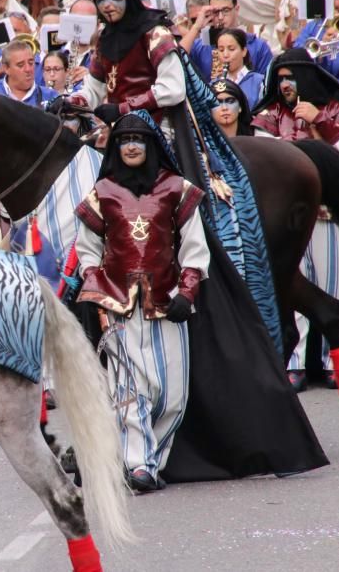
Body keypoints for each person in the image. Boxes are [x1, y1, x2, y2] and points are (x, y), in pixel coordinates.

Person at [73, 114, 209, 493]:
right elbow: (86, 251)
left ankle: (148, 460)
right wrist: (94, 289)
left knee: (173, 397)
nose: (131, 145)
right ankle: (139, 467)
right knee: (129, 390)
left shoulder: (176, 189)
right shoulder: (102, 191)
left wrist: (187, 291)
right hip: (116, 306)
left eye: (138, 139)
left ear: (151, 144)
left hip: (167, 303)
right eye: (124, 139)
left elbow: (195, 247)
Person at [250, 48, 339, 391]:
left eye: (291, 77)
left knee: (333, 284)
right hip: (288, 217)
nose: (284, 84)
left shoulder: (335, 110)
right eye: (280, 77)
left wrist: (321, 122)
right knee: (290, 288)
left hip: (329, 214)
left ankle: (333, 364)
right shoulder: (268, 116)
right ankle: (294, 363)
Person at [67, 0, 185, 135]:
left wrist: (123, 108)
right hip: (118, 130)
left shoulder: (155, 33)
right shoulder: (103, 38)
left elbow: (174, 89)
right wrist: (69, 103)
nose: (106, 4)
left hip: (159, 129)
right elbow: (93, 90)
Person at [183, 0, 272, 80]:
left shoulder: (258, 46)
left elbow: (267, 86)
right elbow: (178, 59)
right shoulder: (201, 45)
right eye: (216, 12)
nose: (220, 17)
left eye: (225, 10)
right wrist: (196, 26)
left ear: (236, 9)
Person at [0, 39, 59, 107]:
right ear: (6, 68)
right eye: (20, 65)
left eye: (31, 63)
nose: (28, 69)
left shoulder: (51, 96)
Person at [213, 28, 265, 108]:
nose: (225, 55)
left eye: (231, 49)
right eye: (221, 50)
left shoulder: (259, 82)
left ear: (244, 51)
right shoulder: (214, 84)